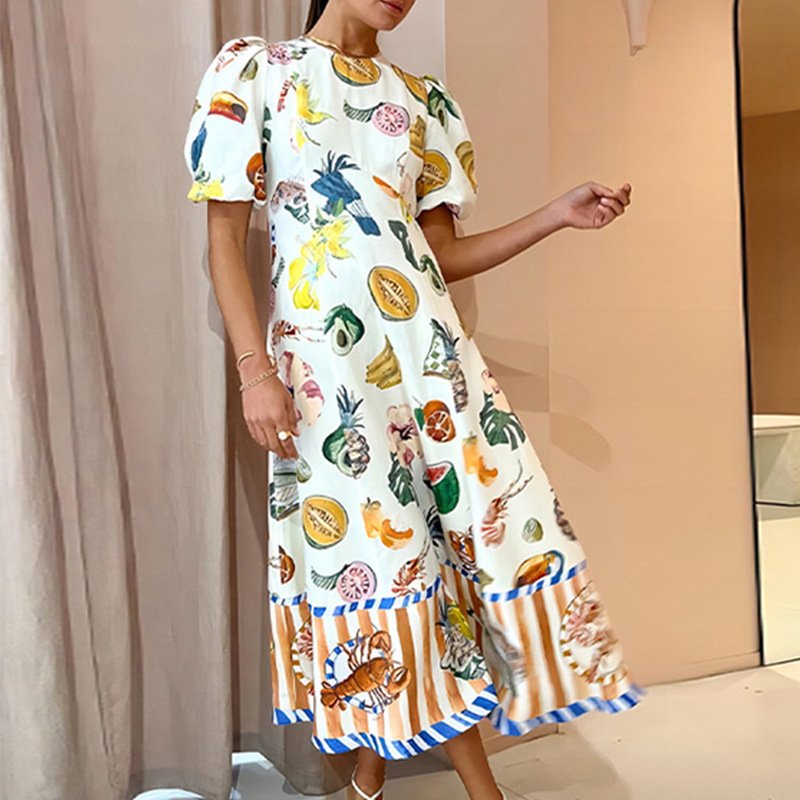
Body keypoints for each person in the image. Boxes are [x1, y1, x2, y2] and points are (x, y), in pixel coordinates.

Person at [183, 1, 645, 798]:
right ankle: (468, 788)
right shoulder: (257, 72)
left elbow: (439, 258)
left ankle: (371, 775)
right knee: (387, 563)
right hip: (329, 378)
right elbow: (223, 238)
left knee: (481, 539)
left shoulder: (424, 102)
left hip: (433, 364)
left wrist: (555, 216)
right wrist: (254, 371)